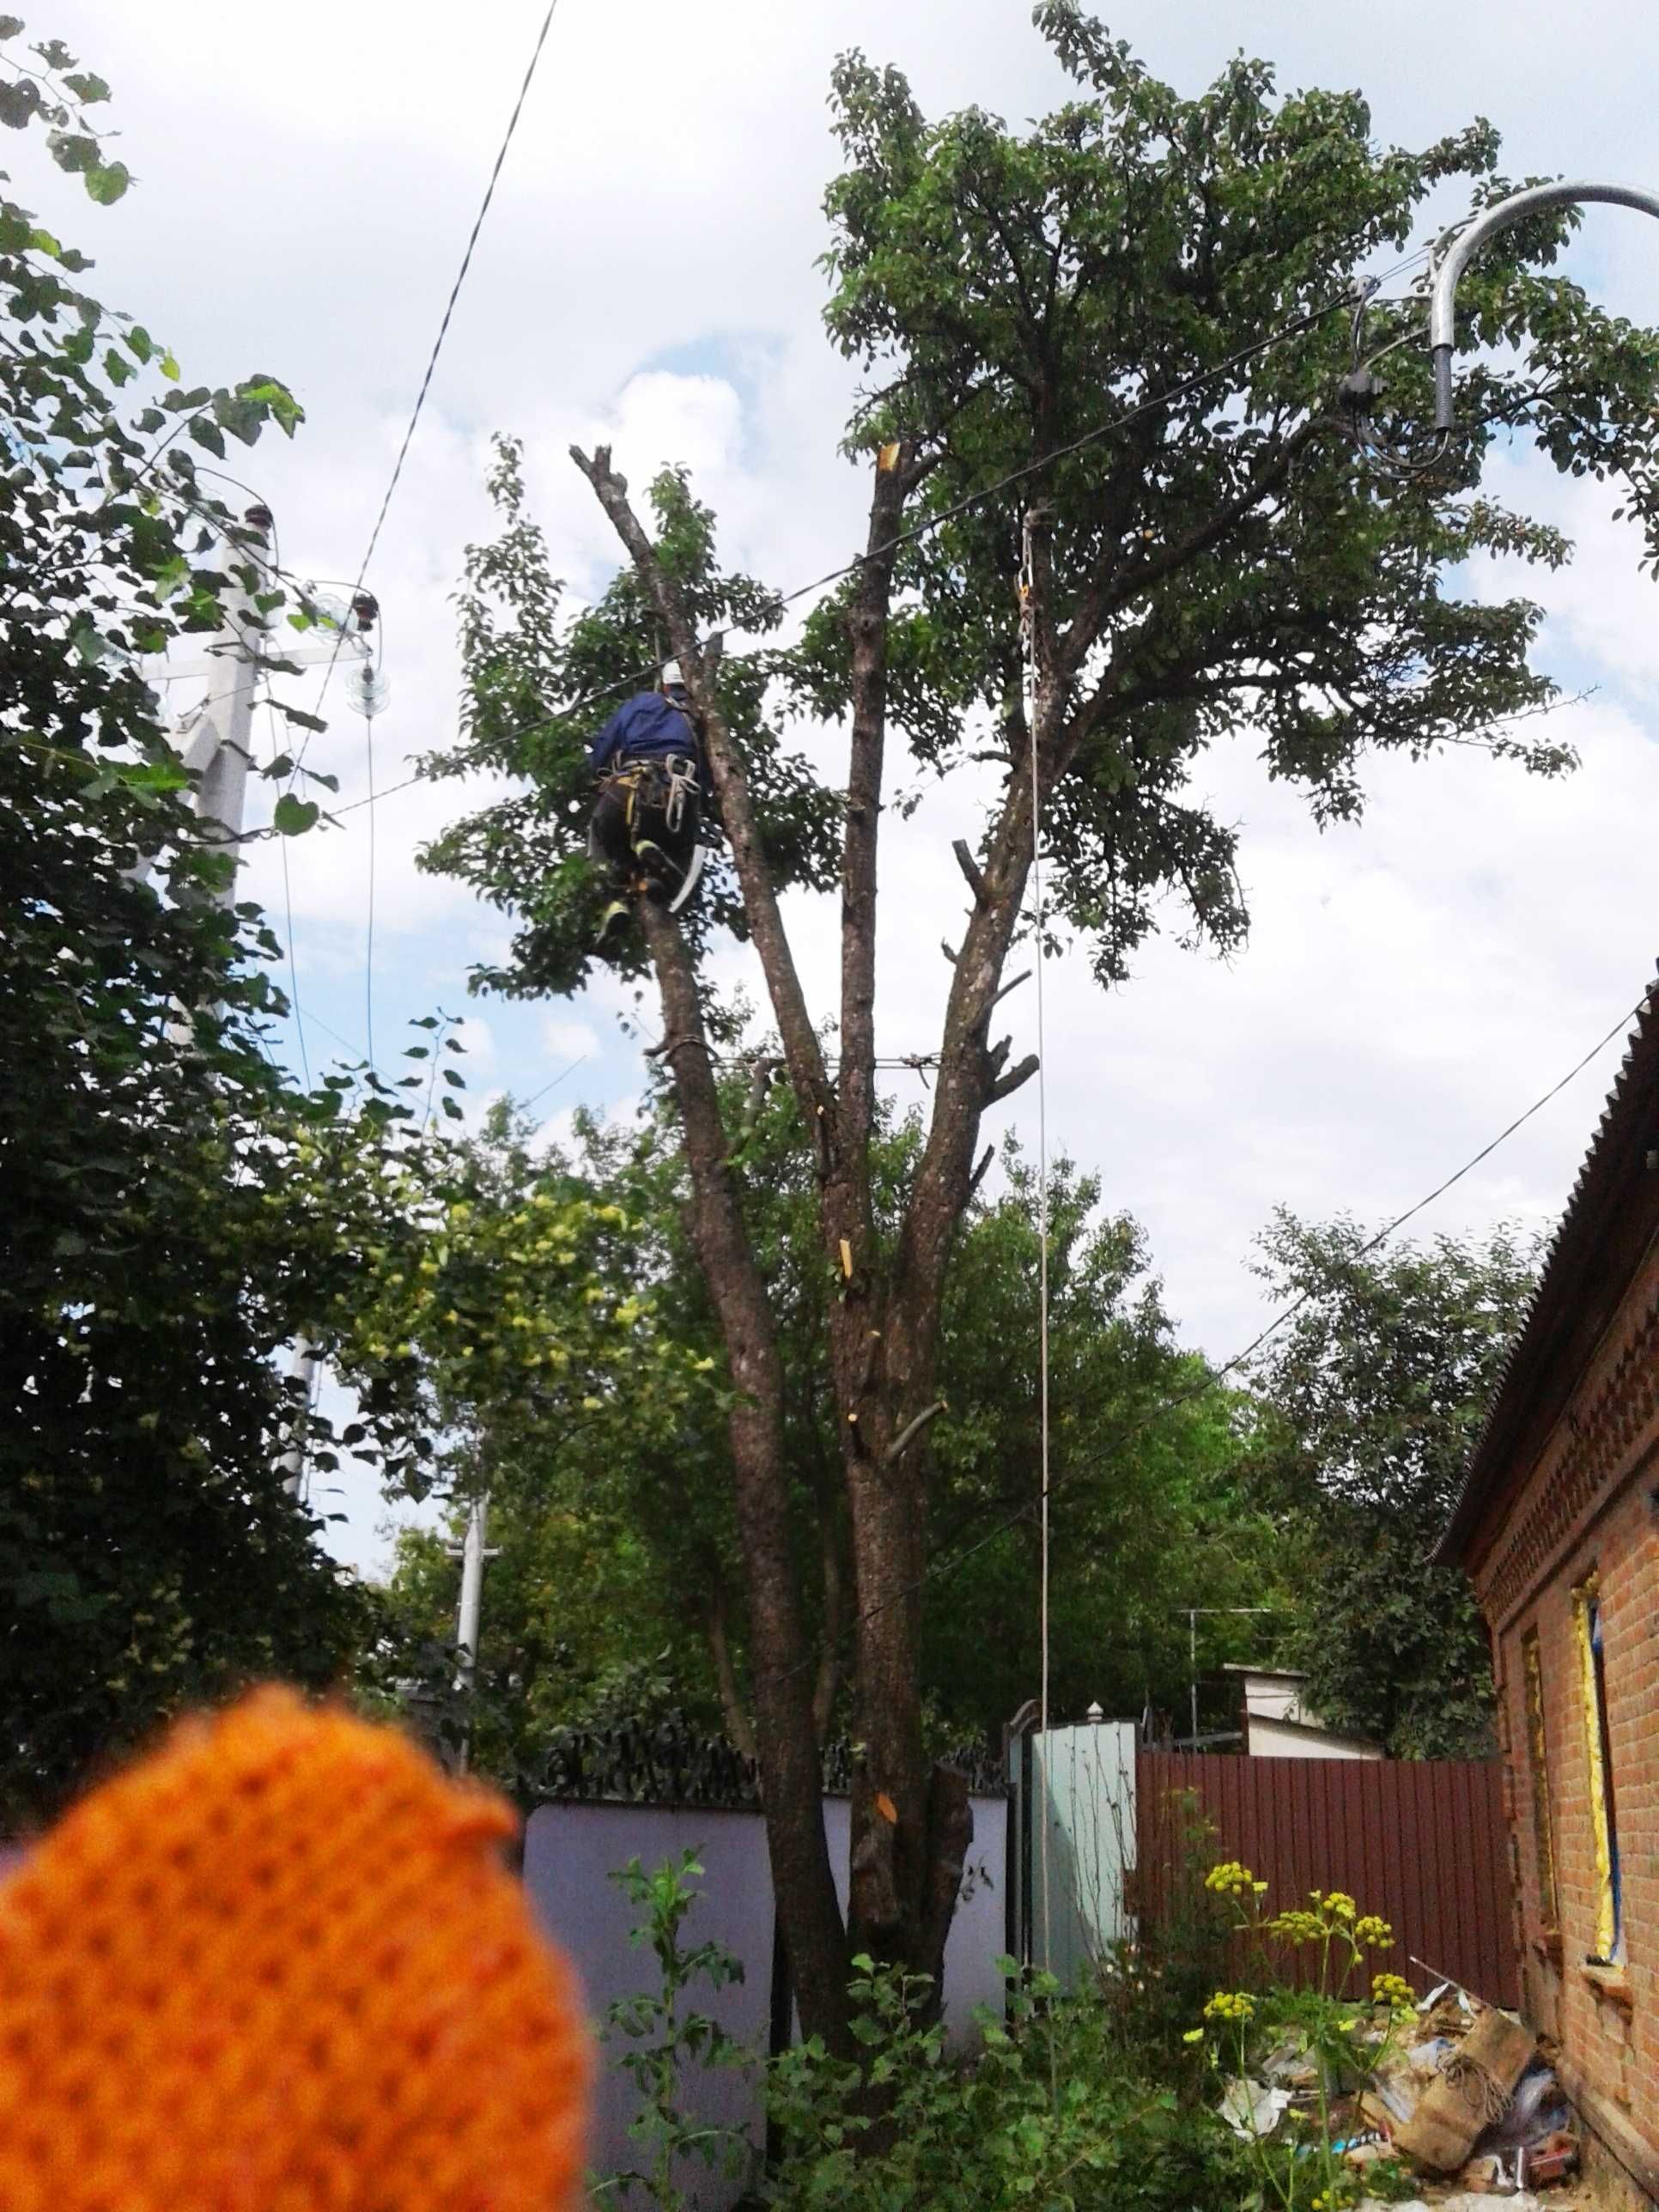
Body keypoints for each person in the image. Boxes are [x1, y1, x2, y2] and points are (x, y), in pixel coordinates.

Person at [587, 660, 707, 945]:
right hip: (673, 797)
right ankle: (655, 861)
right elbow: (706, 779)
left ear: (664, 685)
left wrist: (598, 772)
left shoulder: (639, 704)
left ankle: (617, 897)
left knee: (604, 838)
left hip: (623, 790)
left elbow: (602, 749)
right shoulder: (697, 718)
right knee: (684, 843)